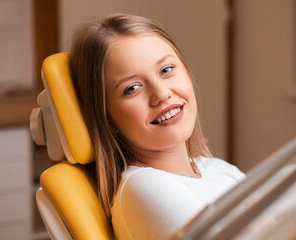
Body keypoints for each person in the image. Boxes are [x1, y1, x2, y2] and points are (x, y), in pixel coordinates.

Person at [69, 13, 245, 240]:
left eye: (166, 70)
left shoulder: (216, 169)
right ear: (107, 118)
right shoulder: (143, 188)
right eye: (132, 88)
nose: (162, 94)